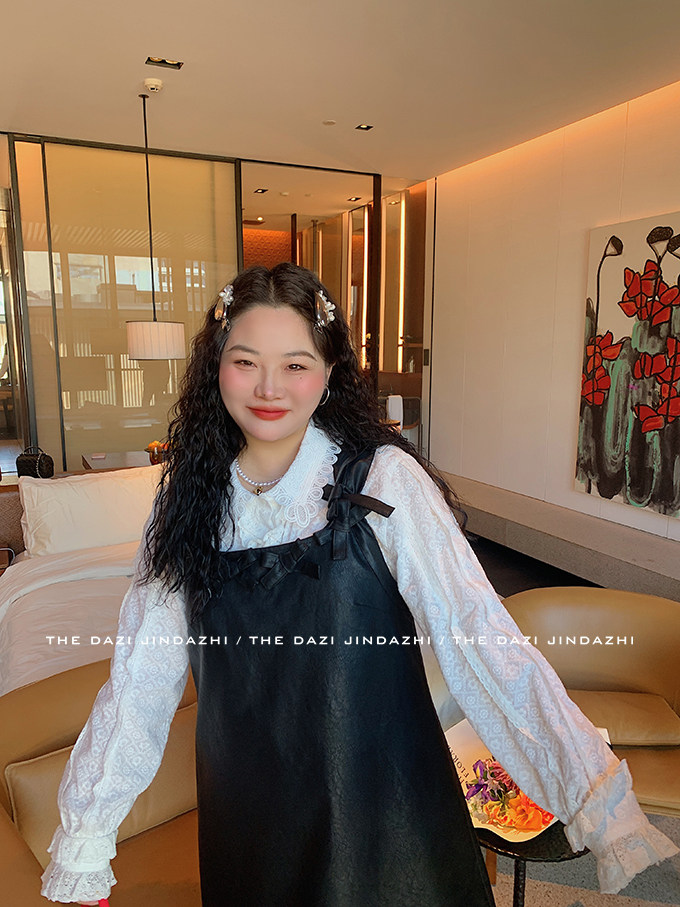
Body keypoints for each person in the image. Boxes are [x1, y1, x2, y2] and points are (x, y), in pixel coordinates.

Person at [41, 263, 678, 906]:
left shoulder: (382, 480)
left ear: (328, 374)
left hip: (383, 809)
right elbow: (139, 680)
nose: (269, 387)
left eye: (295, 364)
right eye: (245, 361)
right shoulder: (186, 501)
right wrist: (85, 836)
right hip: (248, 812)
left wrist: (592, 794)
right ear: (217, 368)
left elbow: (479, 636)